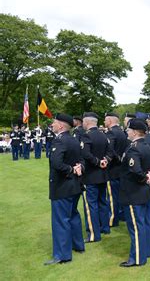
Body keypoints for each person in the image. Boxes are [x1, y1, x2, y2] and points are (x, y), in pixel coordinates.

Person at [44, 113, 85, 265]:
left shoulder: (59, 140)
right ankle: (78, 245)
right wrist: (79, 167)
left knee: (61, 220)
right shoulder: (74, 139)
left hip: (62, 186)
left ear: (61, 125)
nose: (52, 125)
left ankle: (62, 255)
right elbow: (82, 159)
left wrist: (71, 170)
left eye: (54, 123)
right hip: (75, 186)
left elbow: (56, 163)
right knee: (73, 215)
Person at [119, 118, 150, 267]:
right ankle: (146, 252)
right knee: (143, 224)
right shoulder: (146, 146)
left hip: (133, 192)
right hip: (143, 192)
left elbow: (135, 170)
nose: (127, 132)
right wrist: (149, 175)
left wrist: (144, 178)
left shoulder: (134, 148)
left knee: (136, 226)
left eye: (128, 129)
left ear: (134, 132)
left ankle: (137, 258)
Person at [81, 112, 112, 243]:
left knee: (91, 205)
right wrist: (105, 160)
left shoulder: (86, 136)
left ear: (87, 122)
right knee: (102, 202)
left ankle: (94, 233)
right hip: (103, 174)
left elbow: (85, 153)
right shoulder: (103, 135)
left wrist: (97, 161)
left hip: (91, 175)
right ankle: (105, 227)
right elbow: (110, 151)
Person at [104, 112, 128, 228]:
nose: (104, 122)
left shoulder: (111, 133)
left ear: (109, 121)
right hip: (121, 168)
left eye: (105, 120)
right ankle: (120, 215)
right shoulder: (122, 132)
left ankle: (112, 219)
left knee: (112, 196)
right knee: (119, 194)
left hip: (113, 168)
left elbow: (110, 149)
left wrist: (116, 157)